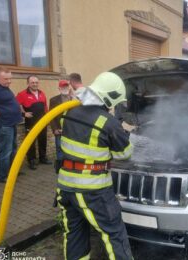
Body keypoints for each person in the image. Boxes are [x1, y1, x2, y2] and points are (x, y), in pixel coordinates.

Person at [56, 72, 133, 260]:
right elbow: (124, 154)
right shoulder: (109, 123)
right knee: (114, 233)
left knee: (74, 233)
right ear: (110, 97)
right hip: (93, 190)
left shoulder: (68, 112)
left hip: (65, 186)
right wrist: (124, 134)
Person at [0, 67, 22, 183]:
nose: (9, 81)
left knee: (12, 149)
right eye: (6, 79)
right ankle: (3, 176)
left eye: (10, 79)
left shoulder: (4, 87)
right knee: (5, 151)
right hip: (3, 125)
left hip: (11, 123)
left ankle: (12, 172)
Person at [16, 75, 52, 170]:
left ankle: (42, 158)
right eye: (32, 82)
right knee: (30, 142)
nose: (35, 84)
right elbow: (15, 106)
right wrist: (24, 114)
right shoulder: (22, 94)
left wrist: (47, 118)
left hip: (42, 122)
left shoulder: (42, 93)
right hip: (30, 123)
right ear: (28, 83)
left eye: (36, 82)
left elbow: (45, 107)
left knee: (42, 140)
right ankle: (31, 161)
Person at [49, 80, 73, 173]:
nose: (65, 88)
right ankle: (60, 168)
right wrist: (54, 129)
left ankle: (70, 166)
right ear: (59, 88)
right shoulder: (53, 100)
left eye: (66, 87)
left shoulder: (74, 99)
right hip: (59, 129)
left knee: (71, 148)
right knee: (59, 148)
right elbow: (51, 116)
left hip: (71, 129)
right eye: (63, 87)